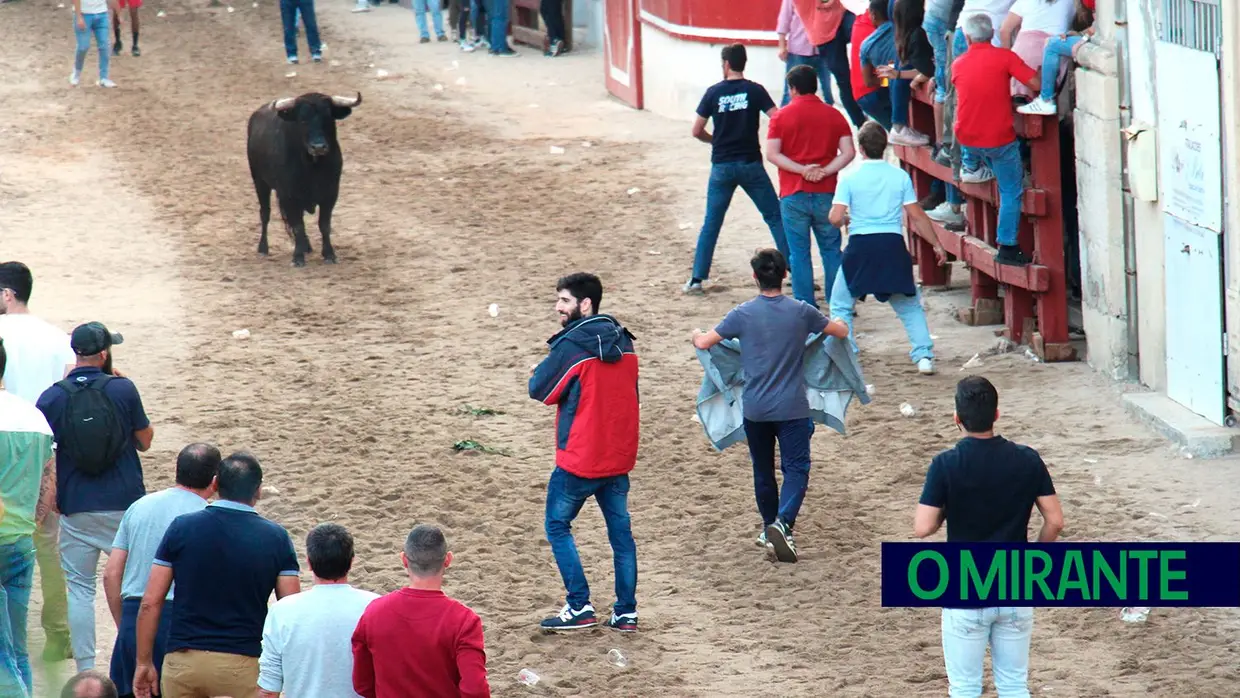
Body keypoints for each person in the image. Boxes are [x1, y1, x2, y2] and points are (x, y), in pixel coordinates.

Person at [691, 249, 850, 563]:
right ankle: (783, 522)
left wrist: (695, 333)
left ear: (755, 277)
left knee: (762, 470)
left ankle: (769, 527)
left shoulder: (742, 314)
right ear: (785, 275)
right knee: (797, 468)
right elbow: (839, 332)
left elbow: (705, 343)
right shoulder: (802, 311)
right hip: (791, 407)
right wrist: (842, 320)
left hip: (755, 409)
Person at [913, 375, 1064, 696]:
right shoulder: (1028, 459)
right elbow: (1055, 521)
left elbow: (922, 527)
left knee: (965, 687)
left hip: (965, 584)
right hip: (1015, 581)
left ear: (957, 418)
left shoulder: (945, 464)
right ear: (996, 414)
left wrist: (947, 508)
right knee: (1013, 683)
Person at [132, 452, 300, 698]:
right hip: (241, 662)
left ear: (215, 484)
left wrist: (144, 662)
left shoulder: (182, 527)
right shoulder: (276, 538)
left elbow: (150, 603)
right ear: (259, 491)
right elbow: (290, 611)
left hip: (184, 660)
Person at [37, 322, 154, 673]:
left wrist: (52, 497)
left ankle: (86, 669)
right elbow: (145, 441)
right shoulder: (122, 389)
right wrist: (122, 384)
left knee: (80, 589)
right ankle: (136, 657)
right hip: (124, 504)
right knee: (133, 587)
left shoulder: (53, 396)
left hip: (77, 506)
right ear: (104, 353)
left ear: (76, 353)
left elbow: (48, 457)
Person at [528, 273, 639, 632]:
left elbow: (540, 389)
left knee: (557, 526)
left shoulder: (571, 346)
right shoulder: (626, 342)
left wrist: (540, 370)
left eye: (563, 300)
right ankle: (626, 612)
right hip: (618, 458)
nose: (557, 307)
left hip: (579, 460)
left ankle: (579, 606)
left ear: (584, 304)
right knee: (621, 537)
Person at [0, 262, 75, 663]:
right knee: (47, 547)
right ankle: (57, 632)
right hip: (41, 447)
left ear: (7, 294)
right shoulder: (57, 337)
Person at [828, 122, 946, 376]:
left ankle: (849, 355)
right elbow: (917, 216)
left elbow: (835, 217)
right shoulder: (899, 176)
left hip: (861, 245)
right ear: (885, 147)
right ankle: (923, 355)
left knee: (840, 305)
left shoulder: (849, 177)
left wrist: (844, 218)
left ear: (860, 149)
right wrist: (937, 244)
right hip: (892, 244)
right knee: (909, 305)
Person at [103, 443, 221, 698]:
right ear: (215, 481)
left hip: (135, 613)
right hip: (183, 620)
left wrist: (125, 623)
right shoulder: (210, 516)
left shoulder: (140, 506)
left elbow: (111, 574)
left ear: (177, 471)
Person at [685, 44, 787, 294]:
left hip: (722, 165)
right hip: (750, 162)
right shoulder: (755, 90)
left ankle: (697, 279)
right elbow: (778, 118)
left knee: (712, 222)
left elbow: (696, 130)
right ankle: (795, 269)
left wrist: (715, 140)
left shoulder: (713, 93)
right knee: (775, 217)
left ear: (726, 64)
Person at [351, 524, 489, 697]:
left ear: (404, 560)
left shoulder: (374, 612)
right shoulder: (464, 621)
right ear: (447, 560)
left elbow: (362, 684)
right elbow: (475, 690)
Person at [952, 13, 1040, 266]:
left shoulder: (958, 64)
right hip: (998, 139)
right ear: (992, 34)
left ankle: (970, 167)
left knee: (976, 147)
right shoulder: (1005, 57)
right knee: (1012, 190)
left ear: (967, 37)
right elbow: (1034, 82)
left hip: (968, 137)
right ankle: (1008, 245)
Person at [766, 64, 856, 308]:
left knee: (799, 253)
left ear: (792, 89)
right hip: (826, 191)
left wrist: (802, 170)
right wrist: (824, 171)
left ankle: (805, 304)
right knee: (831, 249)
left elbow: (772, 154)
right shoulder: (833, 115)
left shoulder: (781, 116)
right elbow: (848, 152)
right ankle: (838, 301)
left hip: (794, 191)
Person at [258, 523, 379, 698]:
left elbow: (269, 688)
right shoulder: (374, 606)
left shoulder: (282, 611)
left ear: (309, 562)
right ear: (352, 561)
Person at [0, 338, 57, 697]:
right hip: (20, 540)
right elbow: (49, 482)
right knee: (18, 645)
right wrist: (31, 524)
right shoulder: (34, 416)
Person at [859, 0, 933, 146]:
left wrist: (891, 78)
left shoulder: (867, 42)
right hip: (881, 91)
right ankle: (898, 127)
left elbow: (869, 81)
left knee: (897, 67)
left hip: (866, 95)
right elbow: (928, 69)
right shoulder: (911, 34)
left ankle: (898, 127)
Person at [1017, 0, 1097, 115]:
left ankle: (1046, 99)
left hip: (1101, 39)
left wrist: (1083, 39)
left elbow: (1102, 24)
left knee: (1052, 44)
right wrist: (1080, 34)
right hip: (1093, 35)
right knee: (1053, 42)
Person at [999, 0, 1077, 100]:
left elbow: (1004, 30)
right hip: (1054, 49)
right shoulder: (1071, 2)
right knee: (1047, 100)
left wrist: (1007, 61)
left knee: (1022, 102)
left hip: (1024, 50)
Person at [775, 0, 832, 106]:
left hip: (823, 49)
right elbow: (784, 19)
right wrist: (782, 46)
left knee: (827, 93)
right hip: (799, 48)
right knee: (791, 91)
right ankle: (783, 120)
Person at [72, 0, 116, 87]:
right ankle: (76, 72)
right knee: (83, 47)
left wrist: (118, 12)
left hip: (102, 13)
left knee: (104, 45)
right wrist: (79, 16)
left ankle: (103, 78)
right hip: (84, 13)